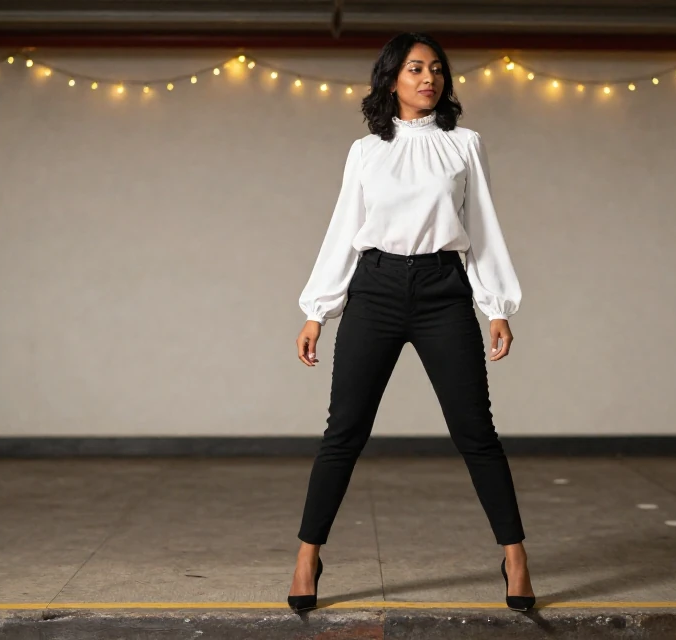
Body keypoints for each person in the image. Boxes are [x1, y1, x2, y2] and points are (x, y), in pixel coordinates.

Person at [287, 32, 536, 614]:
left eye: (438, 70)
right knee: (343, 433)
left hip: (442, 291)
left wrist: (495, 305)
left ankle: (517, 556)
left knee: (476, 432)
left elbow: (484, 228)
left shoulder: (464, 144)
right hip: (372, 290)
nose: (429, 78)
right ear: (391, 78)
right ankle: (306, 555)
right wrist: (315, 311)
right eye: (416, 68)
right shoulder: (365, 151)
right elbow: (345, 228)